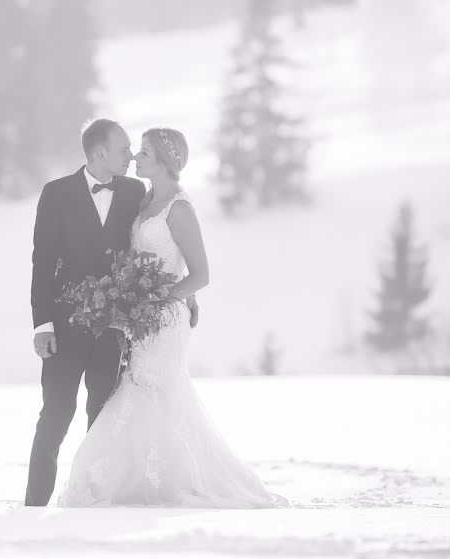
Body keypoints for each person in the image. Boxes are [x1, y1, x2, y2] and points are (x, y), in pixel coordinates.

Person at [58, 128, 288, 508]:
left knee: (152, 392)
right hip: (143, 319)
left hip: (165, 320)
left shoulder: (179, 209)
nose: (135, 158)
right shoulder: (145, 200)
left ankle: (167, 482)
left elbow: (200, 274)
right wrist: (130, 300)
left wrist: (155, 300)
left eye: (144, 152)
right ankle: (134, 480)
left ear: (165, 162)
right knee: (141, 389)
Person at [25, 119, 198, 507]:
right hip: (64, 327)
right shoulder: (56, 194)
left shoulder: (136, 191)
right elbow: (42, 261)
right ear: (99, 152)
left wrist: (183, 291)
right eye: (123, 149)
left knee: (103, 416)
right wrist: (43, 324)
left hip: (116, 327)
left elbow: (159, 243)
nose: (130, 155)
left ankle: (92, 500)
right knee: (55, 414)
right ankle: (33, 506)